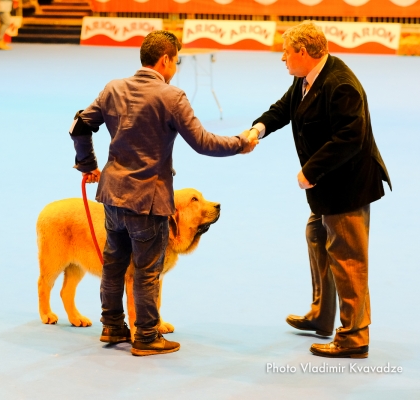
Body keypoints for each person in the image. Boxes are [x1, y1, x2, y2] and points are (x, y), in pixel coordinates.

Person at [69, 30, 259, 356]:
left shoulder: (112, 88)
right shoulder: (172, 96)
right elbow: (203, 142)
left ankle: (112, 327)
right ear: (166, 59)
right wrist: (241, 144)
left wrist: (87, 164)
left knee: (114, 266)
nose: (176, 68)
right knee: (147, 271)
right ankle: (146, 337)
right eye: (177, 61)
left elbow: (79, 125)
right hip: (148, 201)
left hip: (112, 197)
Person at [249, 21, 391, 358]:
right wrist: (259, 128)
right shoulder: (306, 75)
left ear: (303, 52)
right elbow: (285, 109)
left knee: (348, 259)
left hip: (347, 186)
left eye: (286, 52)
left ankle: (354, 337)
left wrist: (310, 171)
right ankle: (322, 315)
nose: (282, 58)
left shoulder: (341, 85)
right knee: (316, 236)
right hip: (327, 185)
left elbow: (349, 139)